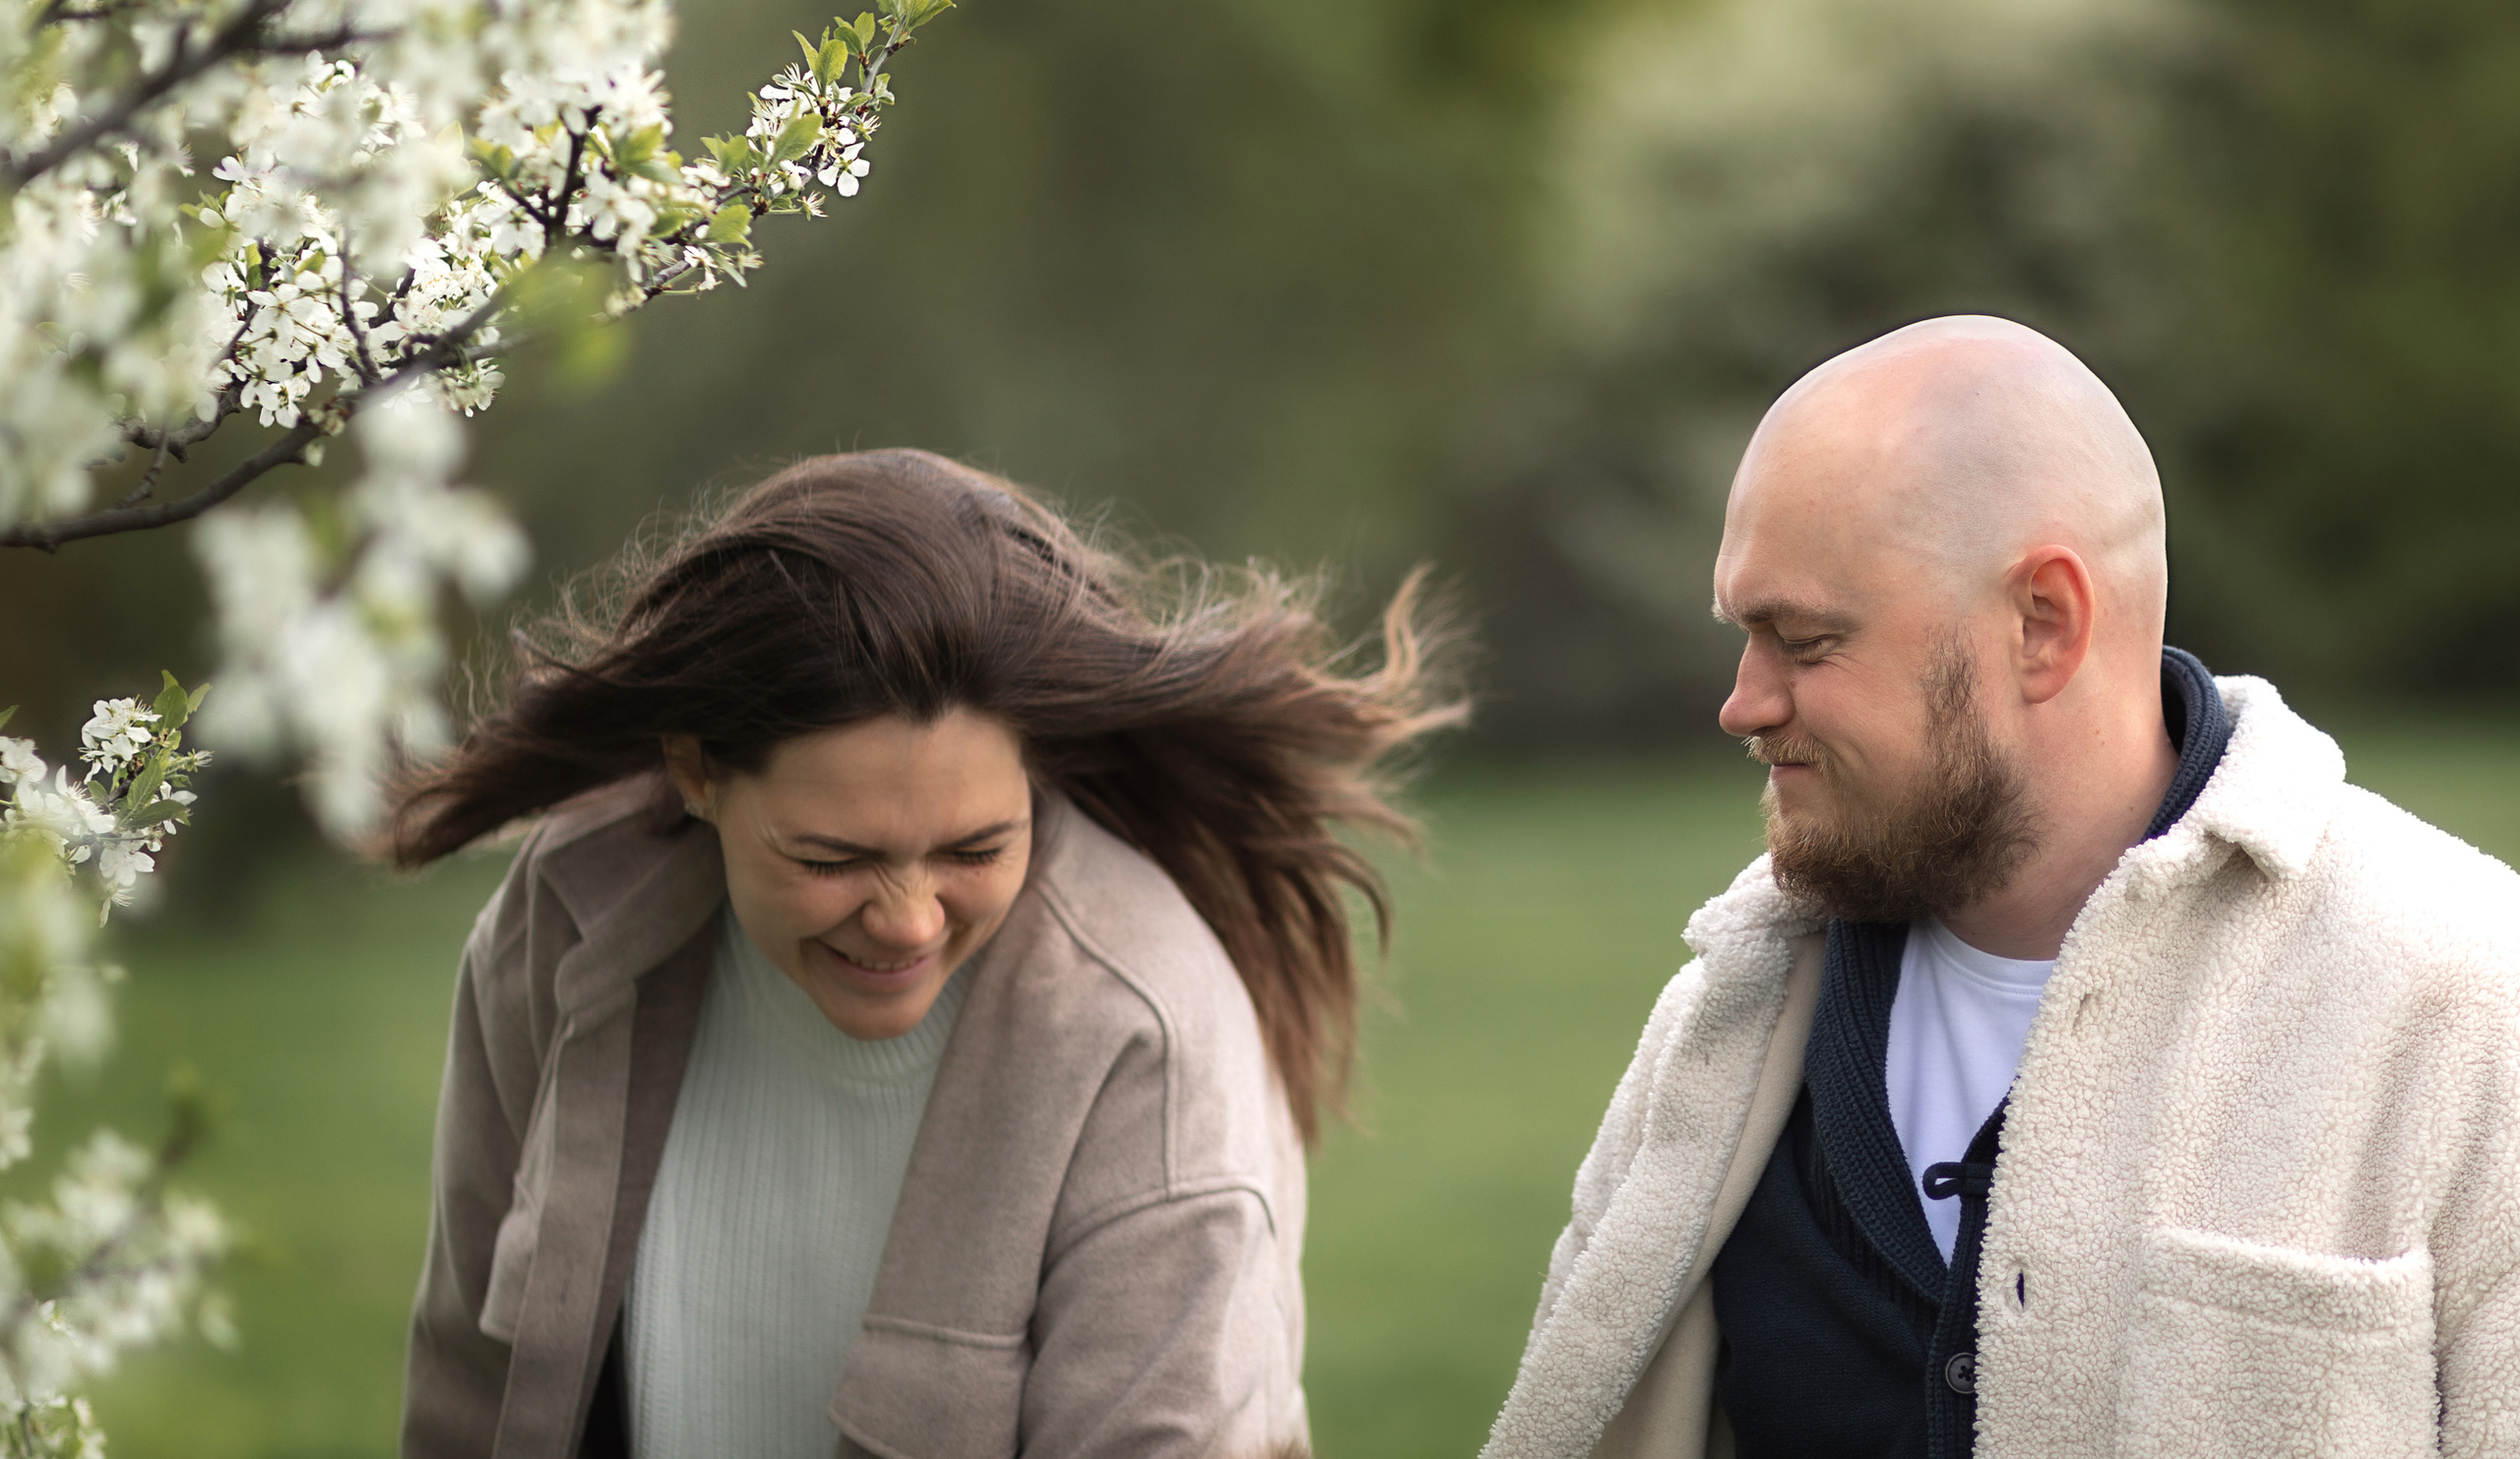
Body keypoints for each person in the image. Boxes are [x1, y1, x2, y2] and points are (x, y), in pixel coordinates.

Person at [1480, 316, 2520, 1459]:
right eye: (1744, 635)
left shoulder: (2463, 998)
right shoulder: (1723, 1023)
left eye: (1805, 640)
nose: (1744, 701)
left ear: (2043, 625)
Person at [393, 449, 1458, 1459]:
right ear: (696, 770)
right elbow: (461, 1386)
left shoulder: (1145, 1034)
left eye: (973, 847)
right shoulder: (571, 917)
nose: (906, 919)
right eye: (831, 855)